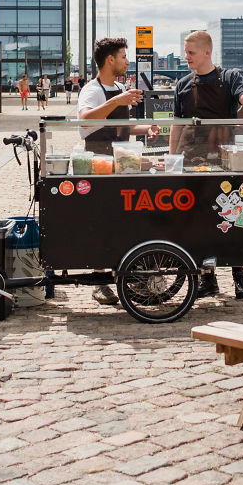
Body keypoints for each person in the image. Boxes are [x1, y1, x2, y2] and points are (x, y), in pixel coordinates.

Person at [170, 30, 243, 300]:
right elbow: (177, 125)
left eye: (191, 52)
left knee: (232, 216)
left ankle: (239, 275)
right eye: (185, 52)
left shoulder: (230, 77)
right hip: (192, 160)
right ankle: (207, 279)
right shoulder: (183, 84)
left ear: (207, 52)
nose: (186, 57)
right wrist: (172, 159)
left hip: (224, 160)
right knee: (197, 219)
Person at [77, 37, 159, 305]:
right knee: (102, 222)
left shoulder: (120, 87)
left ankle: (127, 274)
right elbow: (85, 120)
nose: (127, 61)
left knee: (125, 220)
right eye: (123, 56)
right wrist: (119, 99)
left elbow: (120, 126)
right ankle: (100, 282)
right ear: (110, 59)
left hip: (123, 163)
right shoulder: (92, 90)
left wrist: (144, 128)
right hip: (100, 164)